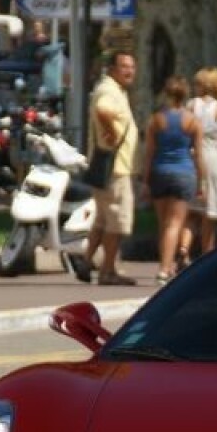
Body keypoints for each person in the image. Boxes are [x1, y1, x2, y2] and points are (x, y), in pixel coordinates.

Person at [71, 49, 139, 286]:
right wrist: (110, 129)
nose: (129, 71)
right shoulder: (109, 90)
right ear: (112, 69)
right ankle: (108, 271)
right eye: (124, 66)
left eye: (132, 66)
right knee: (116, 221)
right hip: (115, 169)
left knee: (102, 220)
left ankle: (88, 262)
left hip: (108, 168)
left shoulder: (114, 89)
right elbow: (102, 109)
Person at [144, 74, 206, 286]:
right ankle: (164, 269)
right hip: (183, 172)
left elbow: (149, 153)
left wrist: (145, 180)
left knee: (164, 224)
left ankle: (167, 265)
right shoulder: (192, 121)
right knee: (175, 224)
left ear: (166, 93)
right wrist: (202, 181)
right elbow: (198, 154)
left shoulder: (156, 119)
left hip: (160, 171)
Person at [183, 66, 217, 260]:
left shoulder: (191, 106)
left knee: (190, 213)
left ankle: (183, 249)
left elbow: (183, 131)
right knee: (209, 215)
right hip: (214, 161)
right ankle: (207, 255)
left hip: (193, 159)